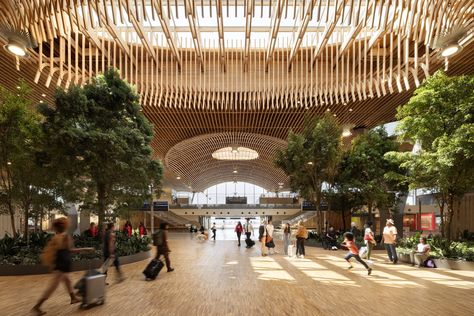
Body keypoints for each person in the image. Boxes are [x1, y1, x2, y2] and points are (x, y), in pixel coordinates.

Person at [32, 218, 93, 316]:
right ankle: (37, 306)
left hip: (59, 264)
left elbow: (54, 252)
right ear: (65, 226)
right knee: (52, 287)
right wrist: (86, 249)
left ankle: (73, 298)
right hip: (63, 265)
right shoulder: (65, 237)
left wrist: (52, 265)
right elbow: (71, 250)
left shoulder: (56, 237)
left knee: (67, 280)